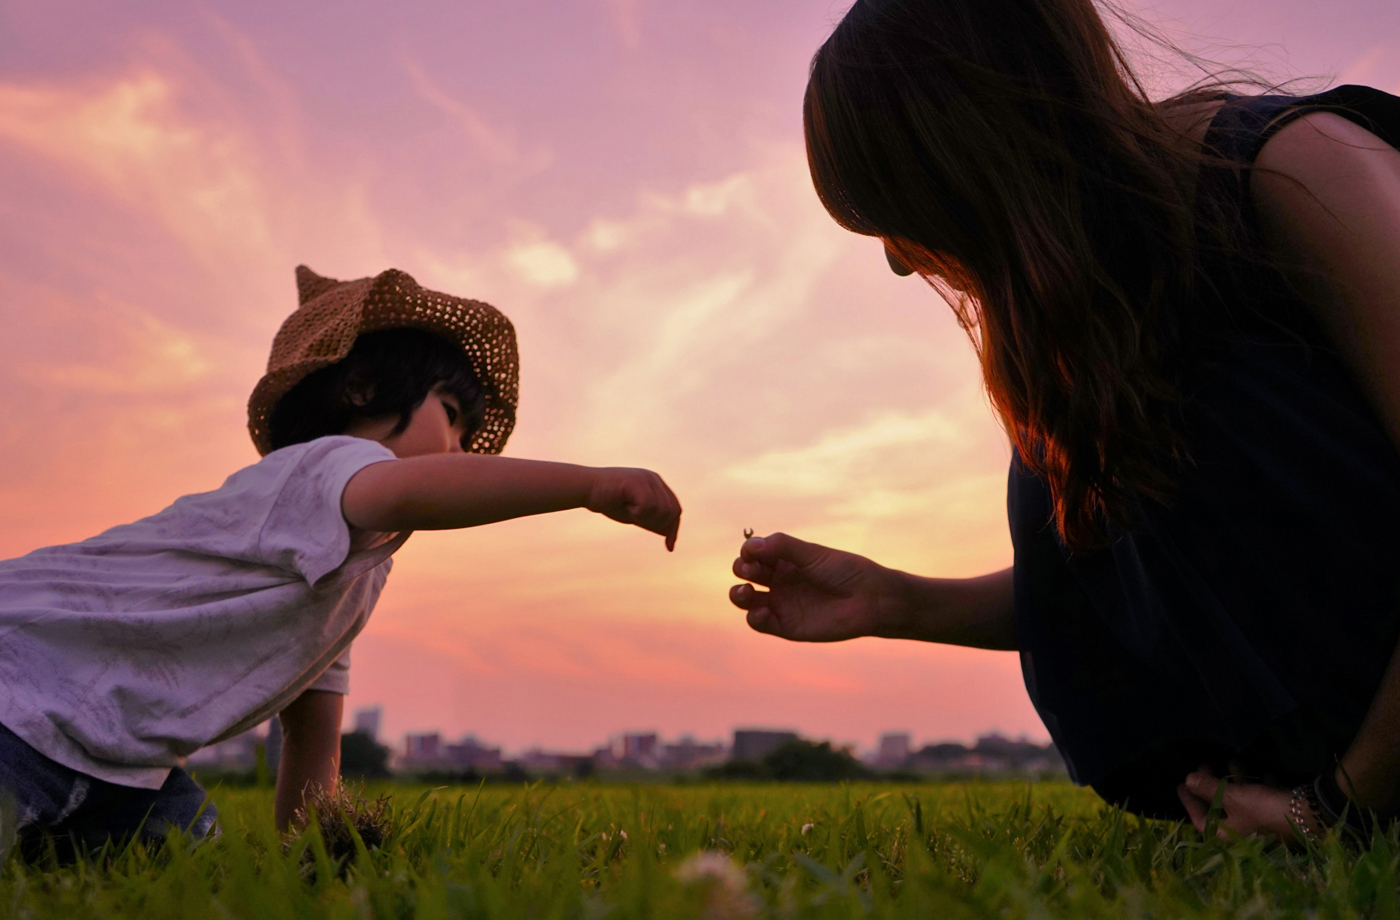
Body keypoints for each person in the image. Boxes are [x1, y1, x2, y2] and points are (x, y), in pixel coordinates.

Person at [730, 0, 1400, 844]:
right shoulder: (1092, 321)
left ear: (979, 154)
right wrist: (898, 600)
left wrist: (1341, 806)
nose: (901, 261)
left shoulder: (1296, 167)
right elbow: (1134, 583)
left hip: (1360, 790)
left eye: (902, 211)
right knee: (1066, 455)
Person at [0, 265, 682, 858]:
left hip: (111, 764)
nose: (461, 449)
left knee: (189, 841)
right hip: (22, 694)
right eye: (449, 414)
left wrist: (313, 847)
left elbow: (310, 734)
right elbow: (414, 489)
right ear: (360, 392)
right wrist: (589, 485)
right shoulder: (329, 465)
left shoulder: (342, 568)